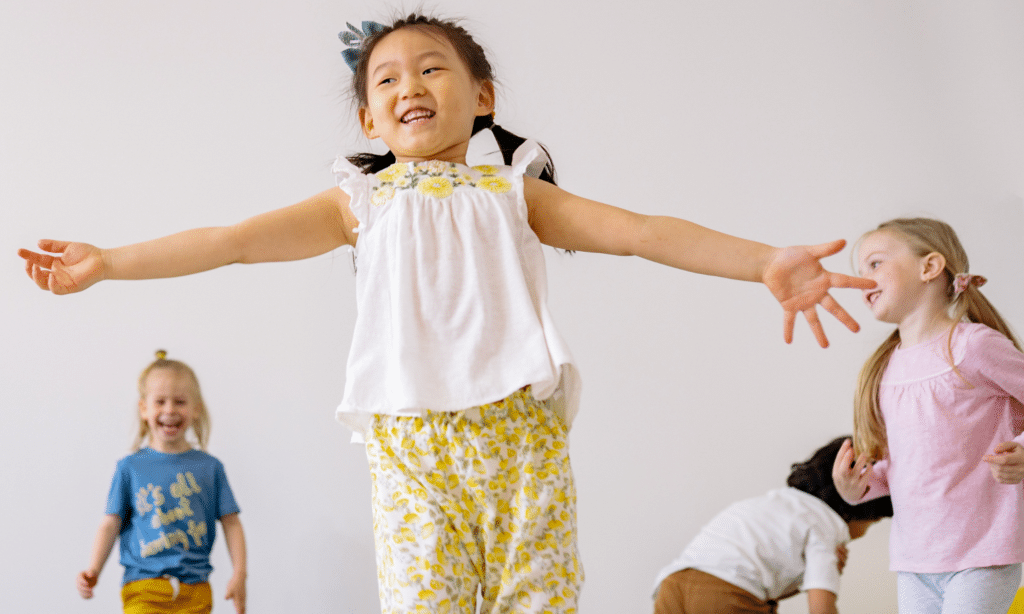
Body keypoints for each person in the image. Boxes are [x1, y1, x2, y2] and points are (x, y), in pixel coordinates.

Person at [21, 14, 874, 614]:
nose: (409, 86)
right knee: (426, 601)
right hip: (413, 446)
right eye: (385, 79)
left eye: (432, 67)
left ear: (482, 95)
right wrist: (111, 265)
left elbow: (643, 234)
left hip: (519, 439)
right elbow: (234, 240)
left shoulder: (516, 192)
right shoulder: (361, 201)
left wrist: (763, 259)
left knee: (535, 599)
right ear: (368, 117)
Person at [832, 217, 1024, 614]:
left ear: (930, 267)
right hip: (915, 560)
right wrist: (860, 488)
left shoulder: (975, 346)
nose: (863, 281)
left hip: (982, 553)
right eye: (859, 271)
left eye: (875, 264)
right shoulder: (885, 367)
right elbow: (907, 464)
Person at [76, 351, 247, 614]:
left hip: (196, 590)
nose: (169, 410)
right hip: (144, 588)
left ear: (196, 408)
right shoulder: (129, 468)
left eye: (179, 401)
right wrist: (93, 569)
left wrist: (239, 574)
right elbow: (110, 523)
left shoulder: (210, 468)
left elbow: (231, 522)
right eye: (160, 402)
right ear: (144, 408)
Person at [652, 436, 892, 614]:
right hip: (726, 596)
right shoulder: (827, 526)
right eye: (874, 521)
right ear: (864, 509)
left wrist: (805, 577)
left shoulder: (776, 502)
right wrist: (823, 573)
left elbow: (760, 574)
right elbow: (821, 606)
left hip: (671, 586)